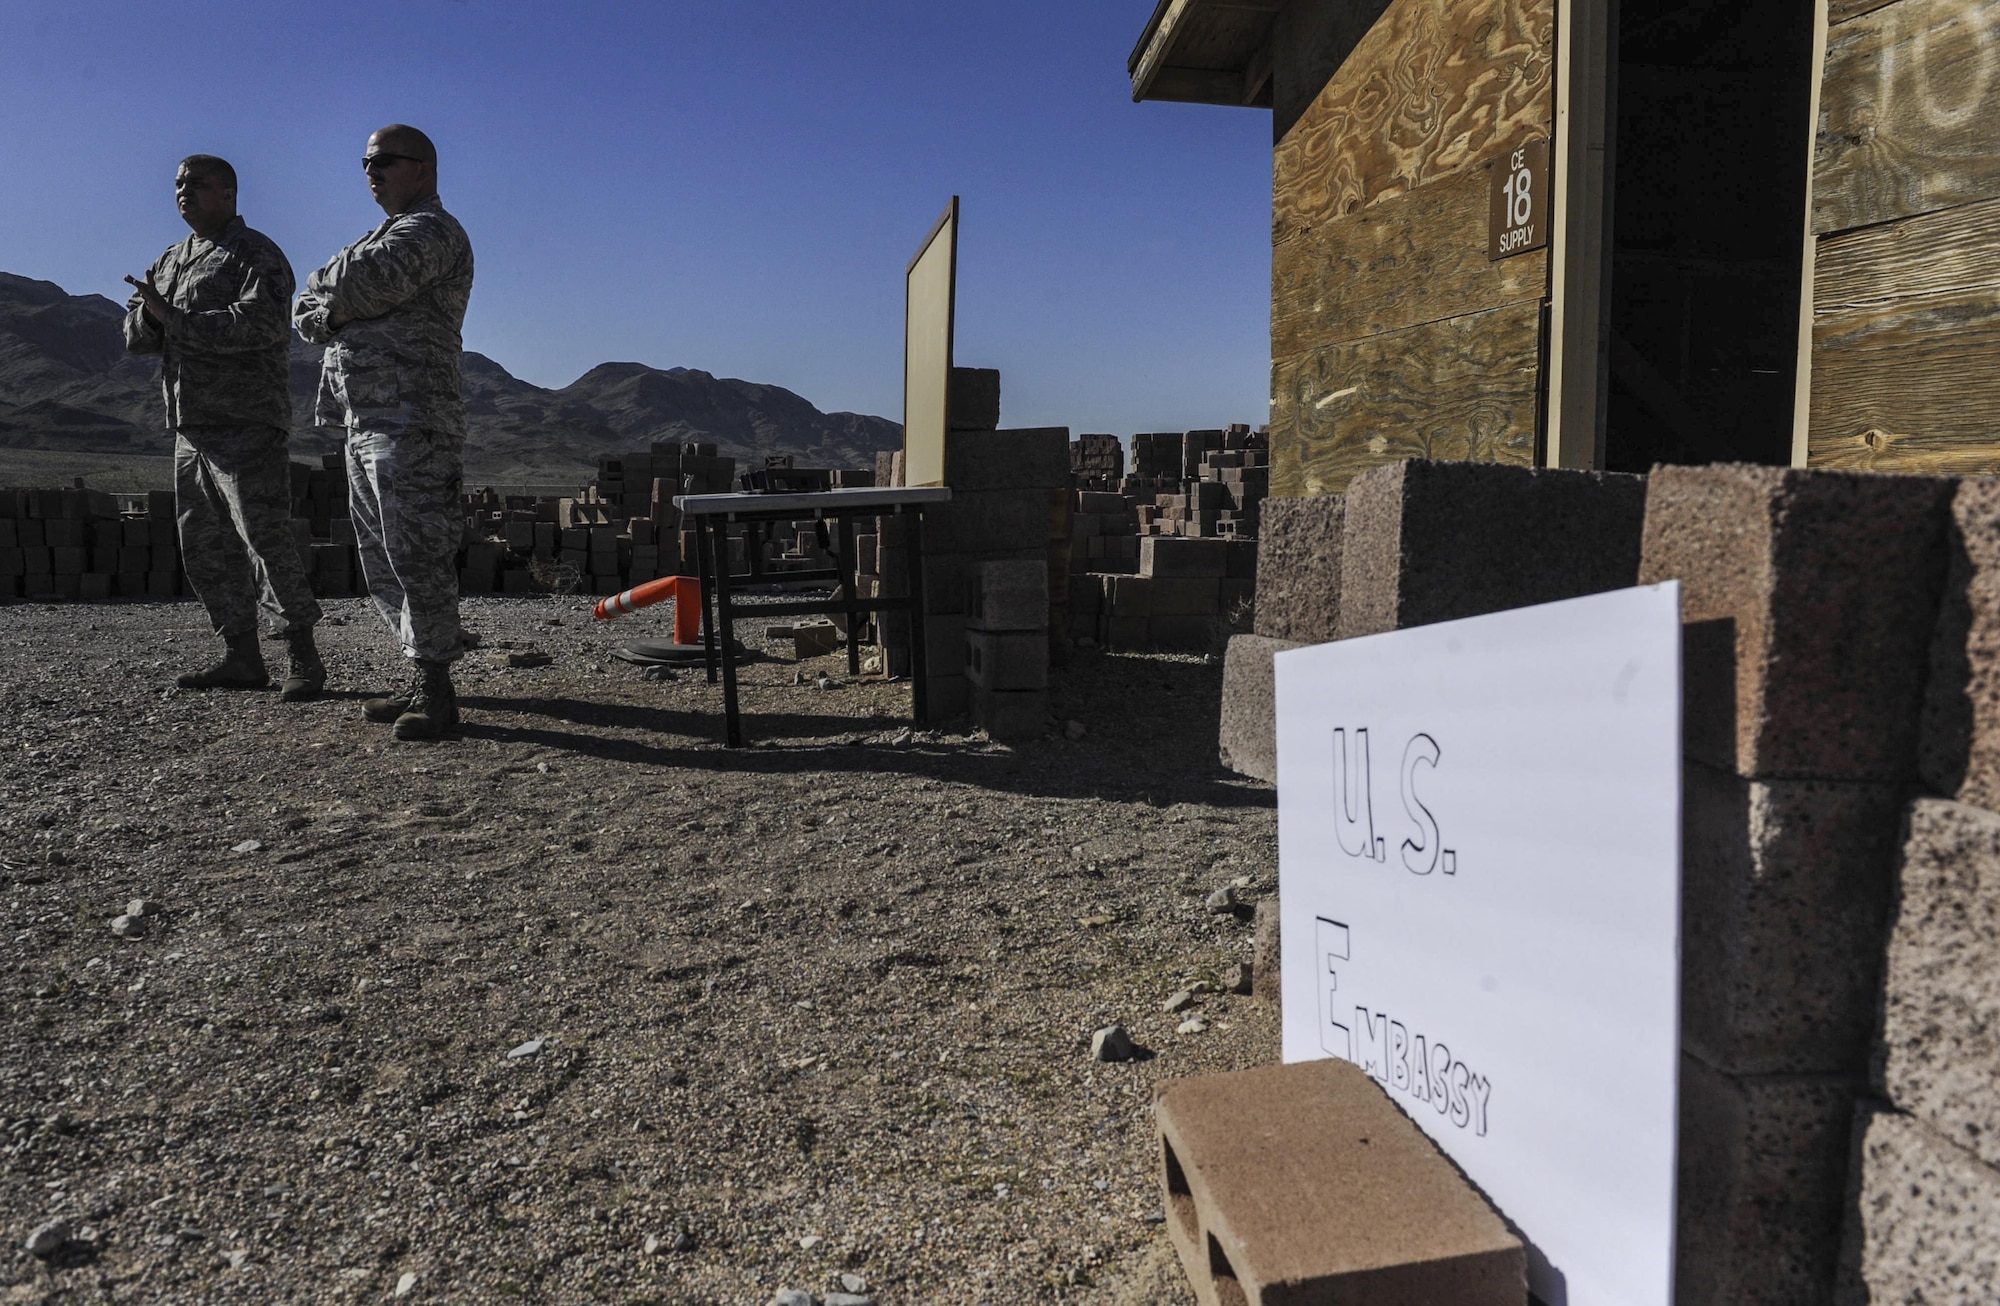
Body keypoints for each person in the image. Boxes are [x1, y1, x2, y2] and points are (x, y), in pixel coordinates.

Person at [294, 125, 474, 741]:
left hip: (414, 417)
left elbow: (365, 283)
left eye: (384, 162)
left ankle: (438, 689)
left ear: (422, 169)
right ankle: (416, 673)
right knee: (381, 558)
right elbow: (308, 301)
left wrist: (334, 299)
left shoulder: (433, 232)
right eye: (365, 162)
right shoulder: (375, 238)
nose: (371, 171)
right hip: (365, 419)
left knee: (416, 552)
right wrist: (332, 300)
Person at [123, 154, 326, 700]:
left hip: (245, 422)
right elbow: (136, 333)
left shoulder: (255, 253)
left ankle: (301, 655)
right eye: (178, 184)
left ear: (229, 194)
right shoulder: (172, 258)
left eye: (196, 184)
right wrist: (151, 314)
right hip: (190, 427)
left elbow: (260, 324)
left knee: (262, 537)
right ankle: (241, 655)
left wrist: (175, 320)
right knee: (205, 544)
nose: (183, 192)